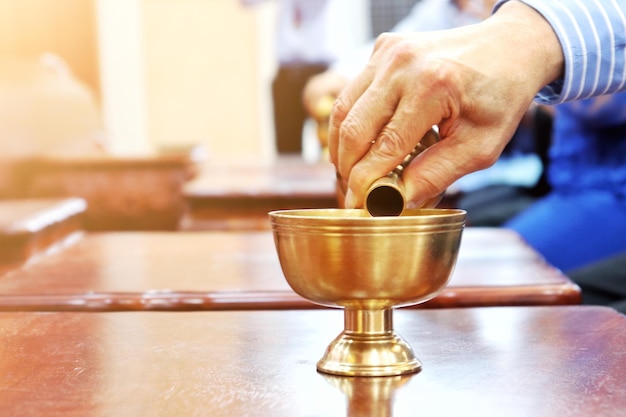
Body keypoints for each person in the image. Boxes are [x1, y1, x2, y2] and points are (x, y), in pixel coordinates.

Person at [326, 0, 626, 312]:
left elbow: (596, 106)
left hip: (609, 191)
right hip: (569, 181)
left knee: (484, 285)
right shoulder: (449, 9)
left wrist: (526, 52)